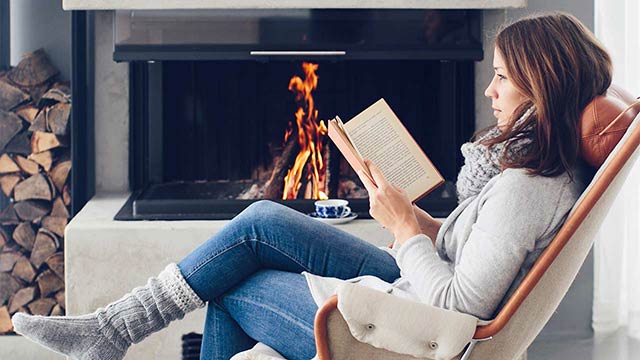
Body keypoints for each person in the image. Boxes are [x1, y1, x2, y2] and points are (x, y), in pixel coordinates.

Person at [12, 11, 610, 360]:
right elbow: (467, 258)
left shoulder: (525, 188)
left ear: (541, 84)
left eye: (502, 78)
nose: (489, 90)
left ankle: (111, 332)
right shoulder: (530, 172)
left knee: (231, 287)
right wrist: (416, 219)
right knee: (263, 222)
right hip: (414, 285)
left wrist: (404, 229)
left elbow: (457, 308)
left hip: (420, 330)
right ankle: (114, 328)